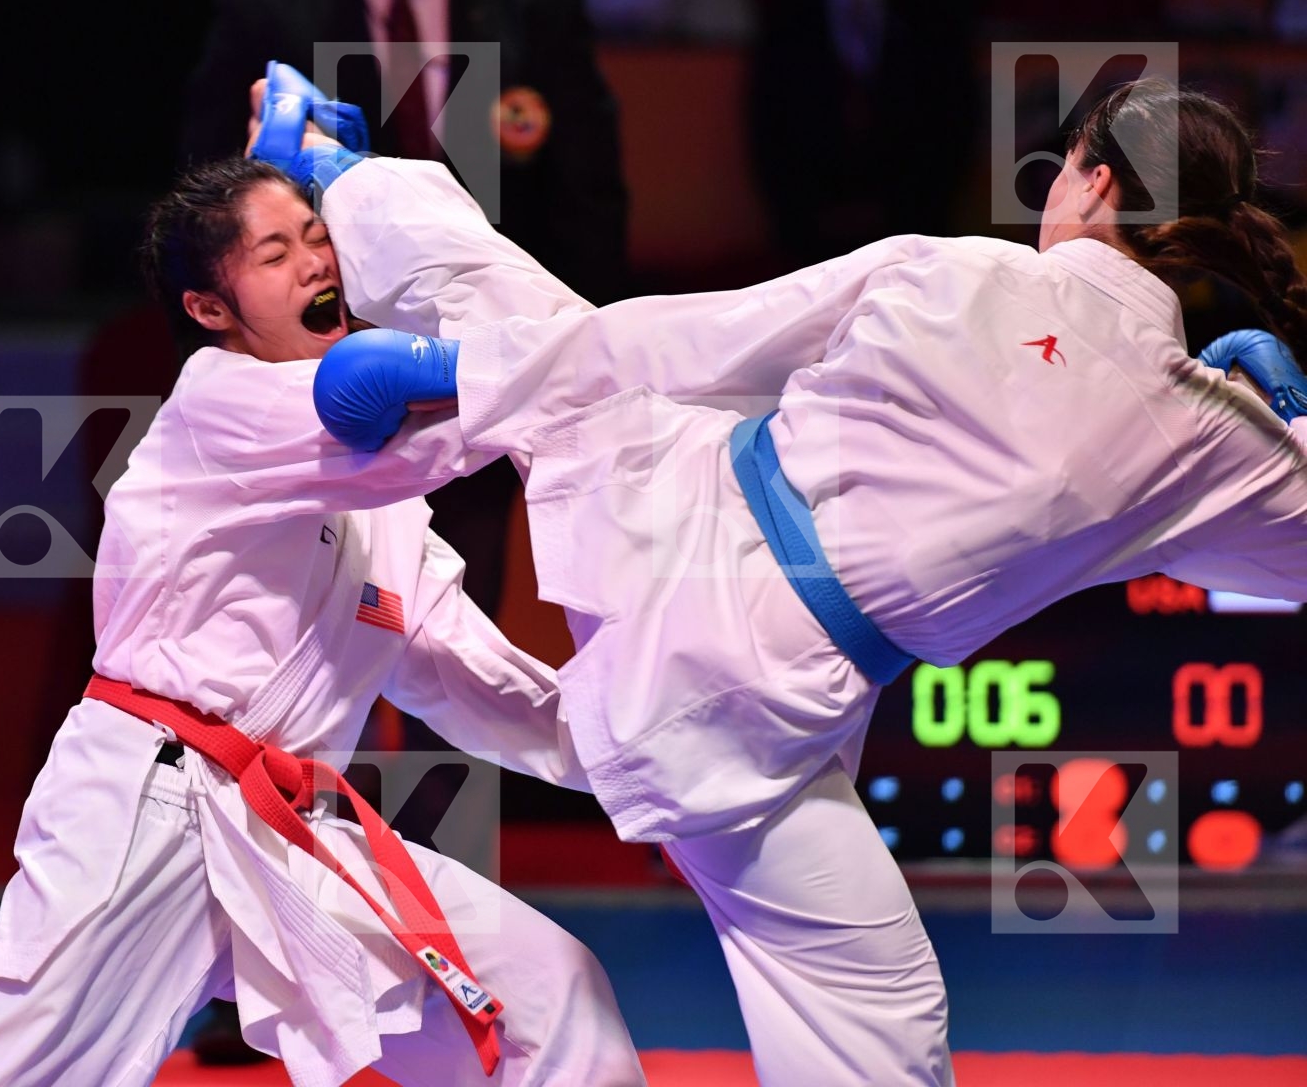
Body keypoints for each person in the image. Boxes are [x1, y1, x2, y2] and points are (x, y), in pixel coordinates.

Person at [283, 80, 1307, 1084]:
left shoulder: (958, 272)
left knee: (517, 307)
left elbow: (688, 342)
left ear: (1088, 181)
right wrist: (1287, 416)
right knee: (876, 1031)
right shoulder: (1204, 431)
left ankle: (338, 171)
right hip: (735, 697)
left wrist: (456, 375)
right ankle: (397, 605)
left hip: (668, 513)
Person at [0, 156, 645, 1087]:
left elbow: (458, 671)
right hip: (149, 808)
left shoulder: (384, 510)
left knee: (550, 998)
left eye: (315, 237)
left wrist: (635, 753)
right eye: (274, 253)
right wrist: (570, 367)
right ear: (210, 309)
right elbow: (437, 433)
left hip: (294, 832)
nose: (313, 263)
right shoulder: (217, 405)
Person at [182, 0, 632, 636]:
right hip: (314, 366)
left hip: (483, 359)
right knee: (317, 616)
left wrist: (577, 360)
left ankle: (453, 759)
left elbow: (587, 197)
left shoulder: (535, 0)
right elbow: (202, 202)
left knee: (457, 613)